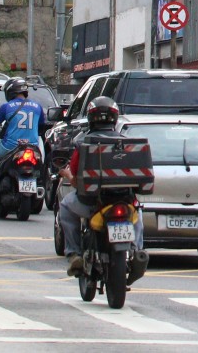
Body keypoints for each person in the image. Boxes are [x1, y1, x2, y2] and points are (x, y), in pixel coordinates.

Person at [56, 98, 148, 280]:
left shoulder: (83, 143)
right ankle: (137, 250)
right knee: (138, 215)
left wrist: (66, 174)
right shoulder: (127, 144)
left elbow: (76, 181)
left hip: (92, 203)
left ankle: (74, 254)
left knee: (65, 207)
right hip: (125, 201)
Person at [0, 77, 45, 175]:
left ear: (10, 91)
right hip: (33, 148)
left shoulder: (6, 107)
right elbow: (41, 127)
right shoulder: (38, 107)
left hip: (9, 147)